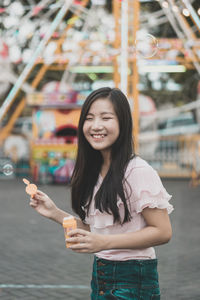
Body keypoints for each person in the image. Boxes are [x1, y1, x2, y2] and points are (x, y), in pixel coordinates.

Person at [30, 87, 173, 299]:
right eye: (89, 118)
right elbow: (99, 229)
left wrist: (103, 243)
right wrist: (54, 213)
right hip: (101, 275)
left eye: (106, 118)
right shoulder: (93, 171)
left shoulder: (137, 171)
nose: (96, 126)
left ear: (122, 123)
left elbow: (162, 232)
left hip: (133, 279)